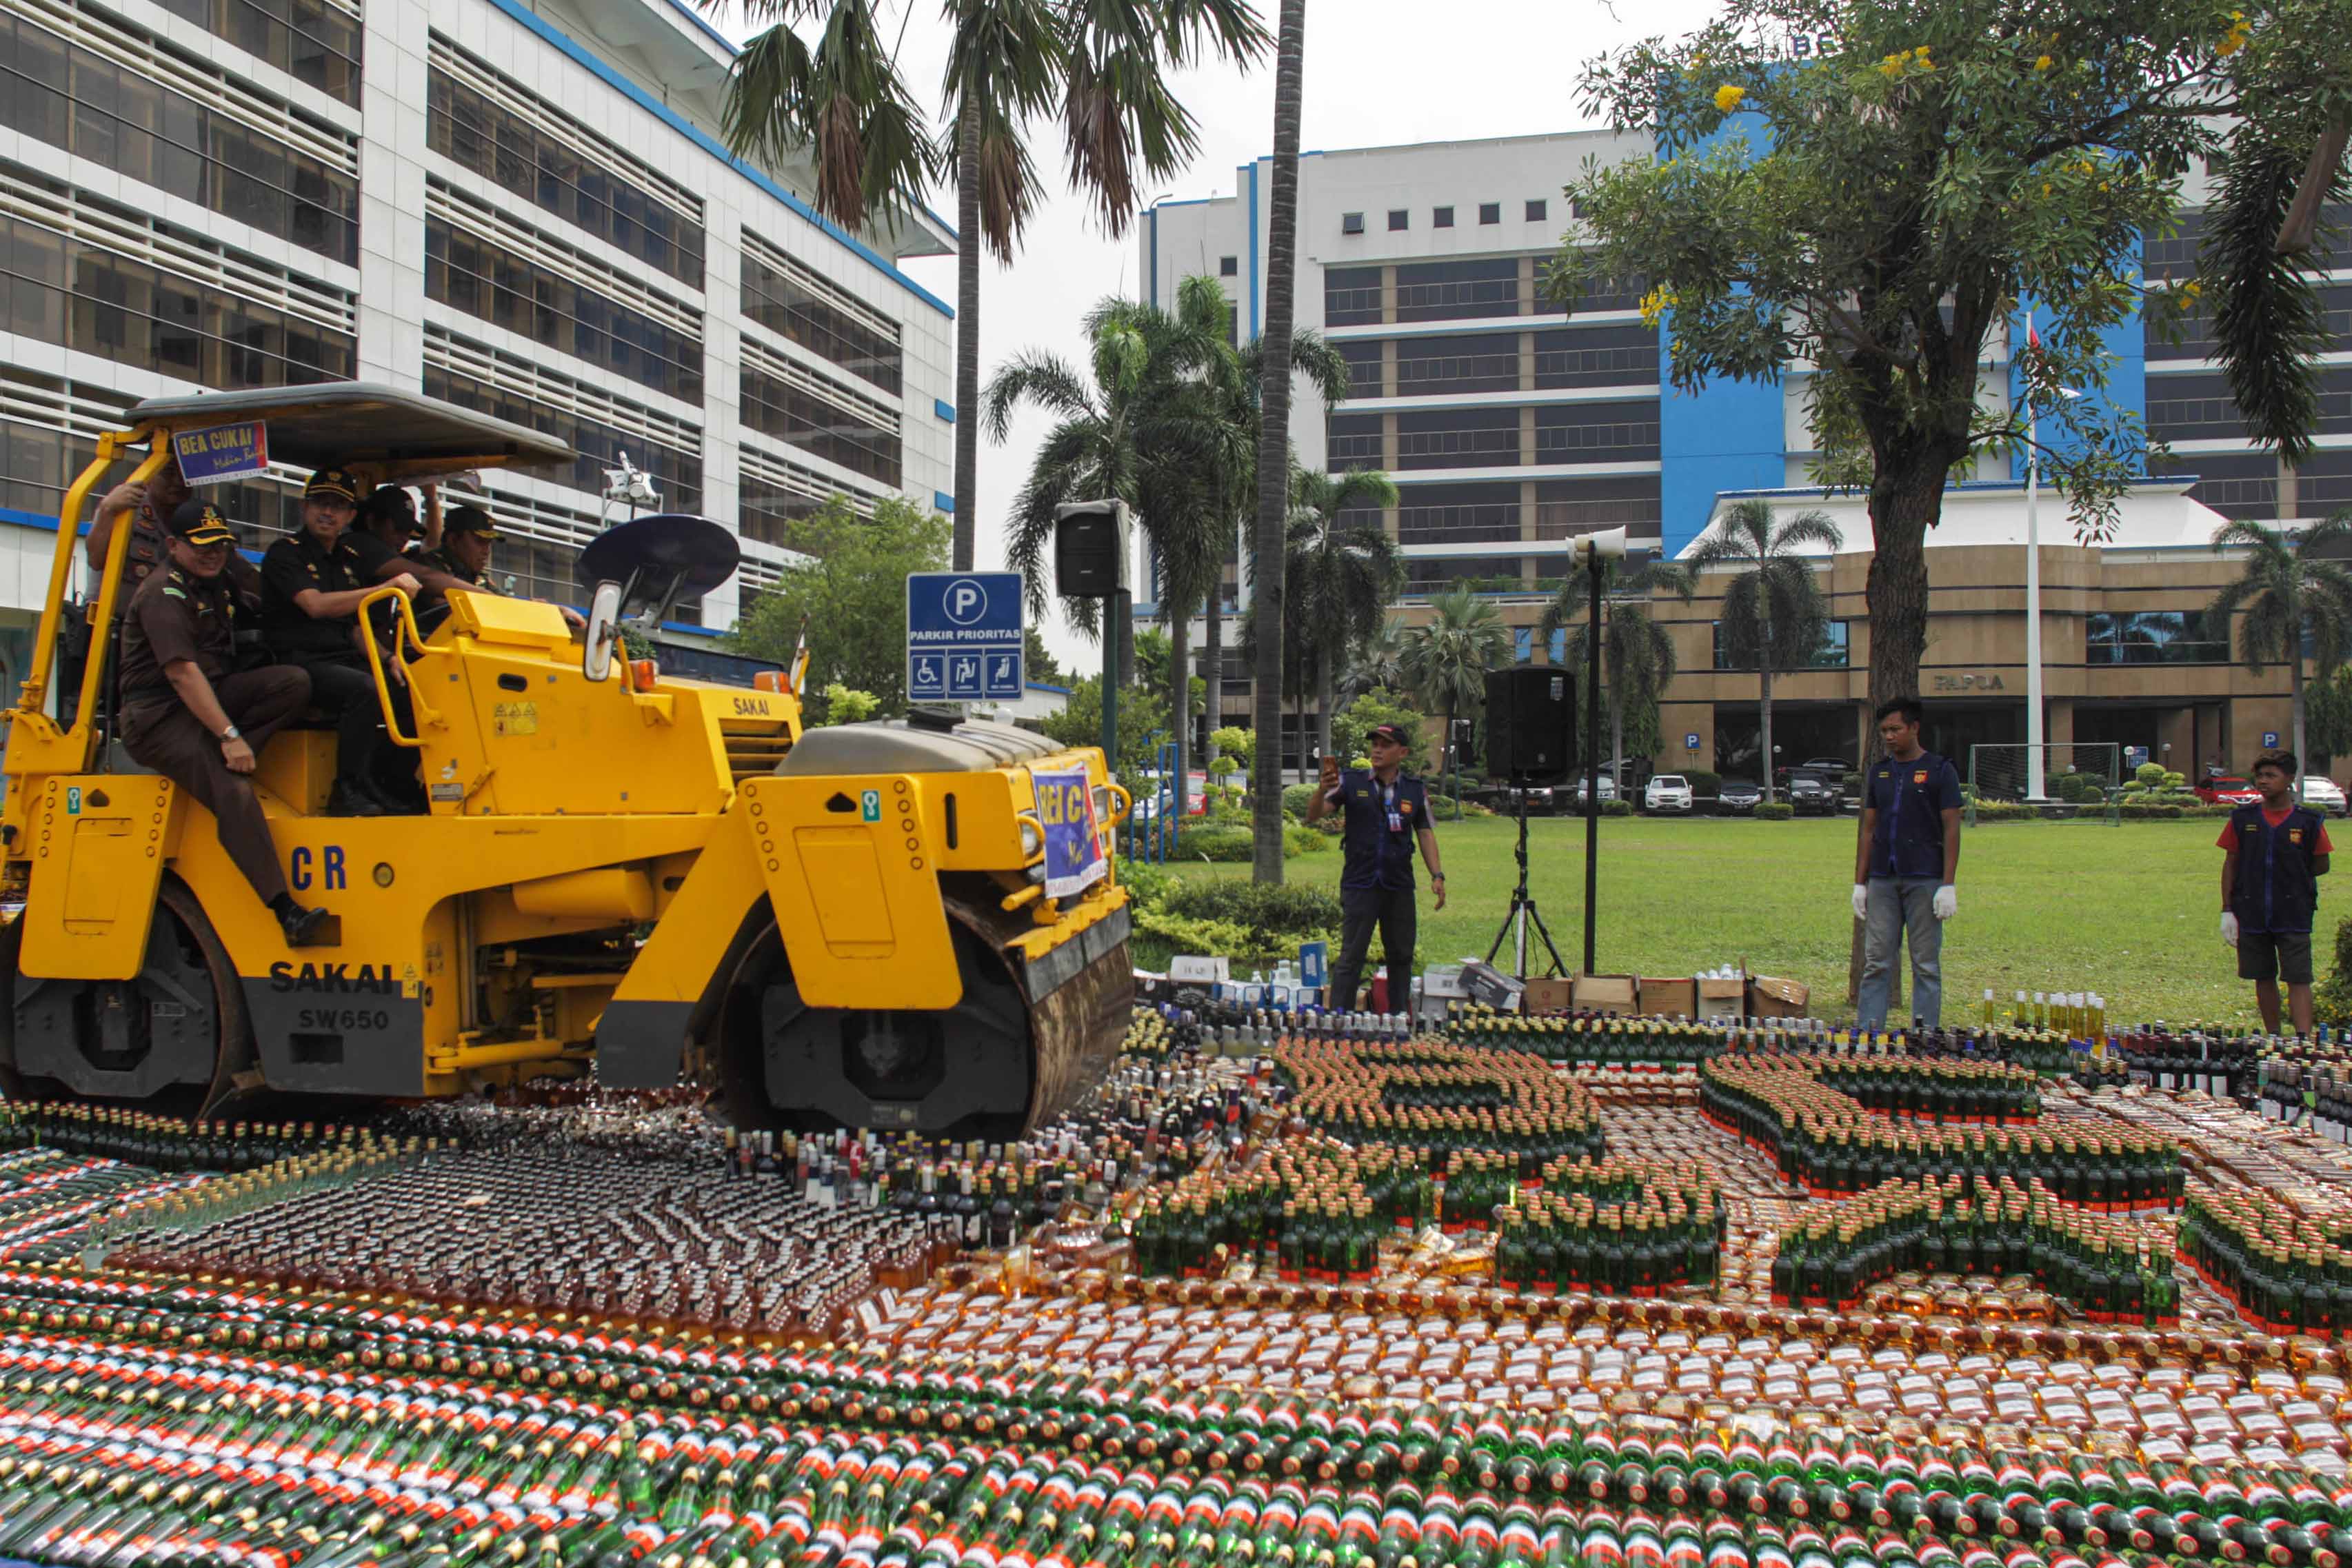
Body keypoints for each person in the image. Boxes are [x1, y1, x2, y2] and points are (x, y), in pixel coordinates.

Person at [117, 499, 329, 947]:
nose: (213, 553)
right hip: (159, 714)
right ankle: (285, 911)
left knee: (292, 683)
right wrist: (230, 736)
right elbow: (181, 673)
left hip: (208, 696)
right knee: (233, 792)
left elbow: (262, 603)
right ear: (174, 545)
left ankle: (221, 760)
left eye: (221, 545)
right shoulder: (163, 593)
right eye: (202, 546)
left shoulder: (215, 581)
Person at [259, 467, 419, 817]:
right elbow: (314, 606)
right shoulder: (286, 553)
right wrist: (382, 589)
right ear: (305, 507)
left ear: (350, 515)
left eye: (336, 506)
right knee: (367, 688)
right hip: (297, 661)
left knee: (413, 685)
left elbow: (356, 627)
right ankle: (346, 790)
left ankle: (395, 785)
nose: (327, 512)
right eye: (320, 503)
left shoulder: (348, 562)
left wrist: (388, 658)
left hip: (342, 657)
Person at [1305, 723, 1447, 1014]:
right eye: (1375, 744)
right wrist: (1321, 789)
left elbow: (1425, 833)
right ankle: (1340, 1019)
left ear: (1403, 752)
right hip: (1361, 882)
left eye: (1385, 745)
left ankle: (1396, 1019)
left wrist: (1437, 875)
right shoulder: (1350, 782)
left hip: (1398, 885)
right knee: (1351, 955)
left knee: (1401, 955)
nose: (1377, 750)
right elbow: (1313, 815)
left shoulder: (1415, 790)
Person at [1853, 697, 1963, 1030]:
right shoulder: (1879, 773)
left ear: (1914, 728)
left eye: (1895, 729)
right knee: (1876, 962)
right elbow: (1868, 828)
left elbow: (1952, 828)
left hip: (1925, 878)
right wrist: (1860, 882)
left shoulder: (1940, 770)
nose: (1889, 736)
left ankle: (1924, 1035)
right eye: (1884, 730)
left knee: (1925, 964)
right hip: (1883, 879)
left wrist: (1948, 884)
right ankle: (1870, 1033)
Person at [2219, 750, 2333, 1036]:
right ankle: (2274, 1038)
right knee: (2263, 976)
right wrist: (2227, 909)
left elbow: (2321, 864)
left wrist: (2292, 879)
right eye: (2260, 776)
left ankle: (2303, 1041)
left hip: (2294, 913)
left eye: (2271, 775)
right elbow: (2230, 863)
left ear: (2290, 779)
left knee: (2298, 977)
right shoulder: (2242, 819)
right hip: (2252, 911)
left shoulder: (2308, 821)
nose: (2263, 781)